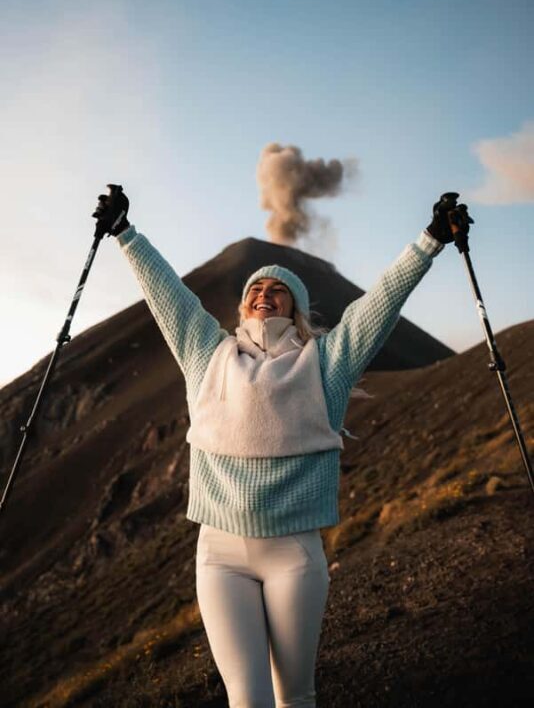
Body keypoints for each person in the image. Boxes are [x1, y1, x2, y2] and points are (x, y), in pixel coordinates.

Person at [93, 187, 464, 708]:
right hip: (219, 554)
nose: (264, 292)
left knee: (296, 695)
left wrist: (428, 242)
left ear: (295, 310)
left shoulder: (326, 364)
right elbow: (169, 297)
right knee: (248, 698)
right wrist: (127, 236)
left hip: (293, 553)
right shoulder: (208, 353)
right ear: (243, 304)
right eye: (255, 288)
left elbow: (379, 305)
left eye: (278, 289)